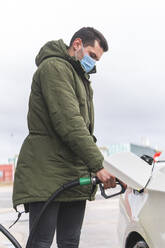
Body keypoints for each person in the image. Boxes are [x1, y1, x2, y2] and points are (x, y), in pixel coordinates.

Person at [12, 27, 116, 248]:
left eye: (97, 59)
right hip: (48, 173)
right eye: (92, 55)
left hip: (73, 173)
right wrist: (98, 164)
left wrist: (103, 168)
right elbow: (70, 123)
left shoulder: (80, 78)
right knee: (41, 242)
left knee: (70, 242)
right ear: (77, 44)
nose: (94, 63)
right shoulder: (55, 68)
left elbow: (82, 130)